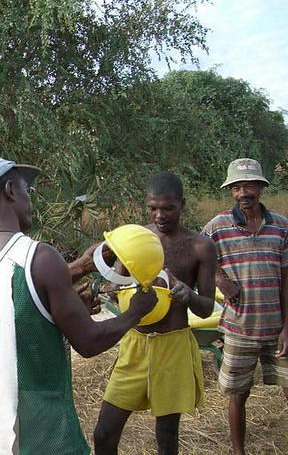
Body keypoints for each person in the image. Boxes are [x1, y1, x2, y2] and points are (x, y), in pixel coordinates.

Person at [0, 153, 158, 455]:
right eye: (26, 191)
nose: (29, 201)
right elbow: (88, 342)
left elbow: (6, 319)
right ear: (10, 190)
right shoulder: (38, 257)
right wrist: (135, 312)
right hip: (42, 432)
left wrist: (63, 309)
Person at [93, 172, 217, 455]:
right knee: (104, 432)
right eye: (152, 207)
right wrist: (108, 286)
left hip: (173, 346)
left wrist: (187, 293)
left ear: (181, 204)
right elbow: (118, 283)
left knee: (167, 435)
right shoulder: (137, 237)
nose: (159, 215)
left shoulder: (200, 246)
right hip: (136, 345)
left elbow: (206, 306)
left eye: (167, 207)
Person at [202, 158, 288, 455]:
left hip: (278, 327)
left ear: (262, 187)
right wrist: (218, 278)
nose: (244, 192)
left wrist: (287, 327)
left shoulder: (281, 227)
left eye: (249, 185)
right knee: (238, 394)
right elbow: (197, 256)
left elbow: (287, 279)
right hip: (239, 328)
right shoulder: (216, 227)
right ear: (231, 191)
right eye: (237, 186)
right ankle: (238, 451)